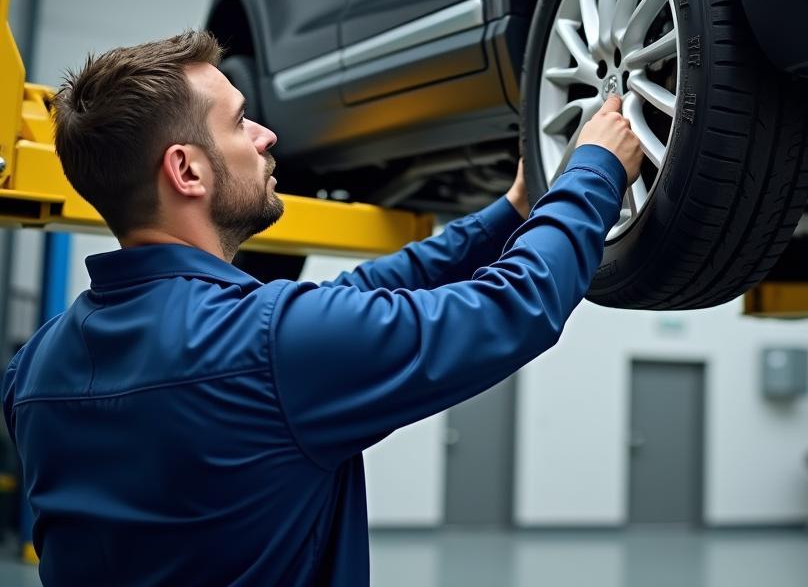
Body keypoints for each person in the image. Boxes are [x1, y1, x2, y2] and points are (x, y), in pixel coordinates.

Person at [2, 30, 642, 586]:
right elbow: (514, 306)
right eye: (239, 122)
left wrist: (508, 213)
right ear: (186, 171)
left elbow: (358, 296)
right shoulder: (268, 345)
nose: (266, 135)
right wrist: (594, 170)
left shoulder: (32, 373)